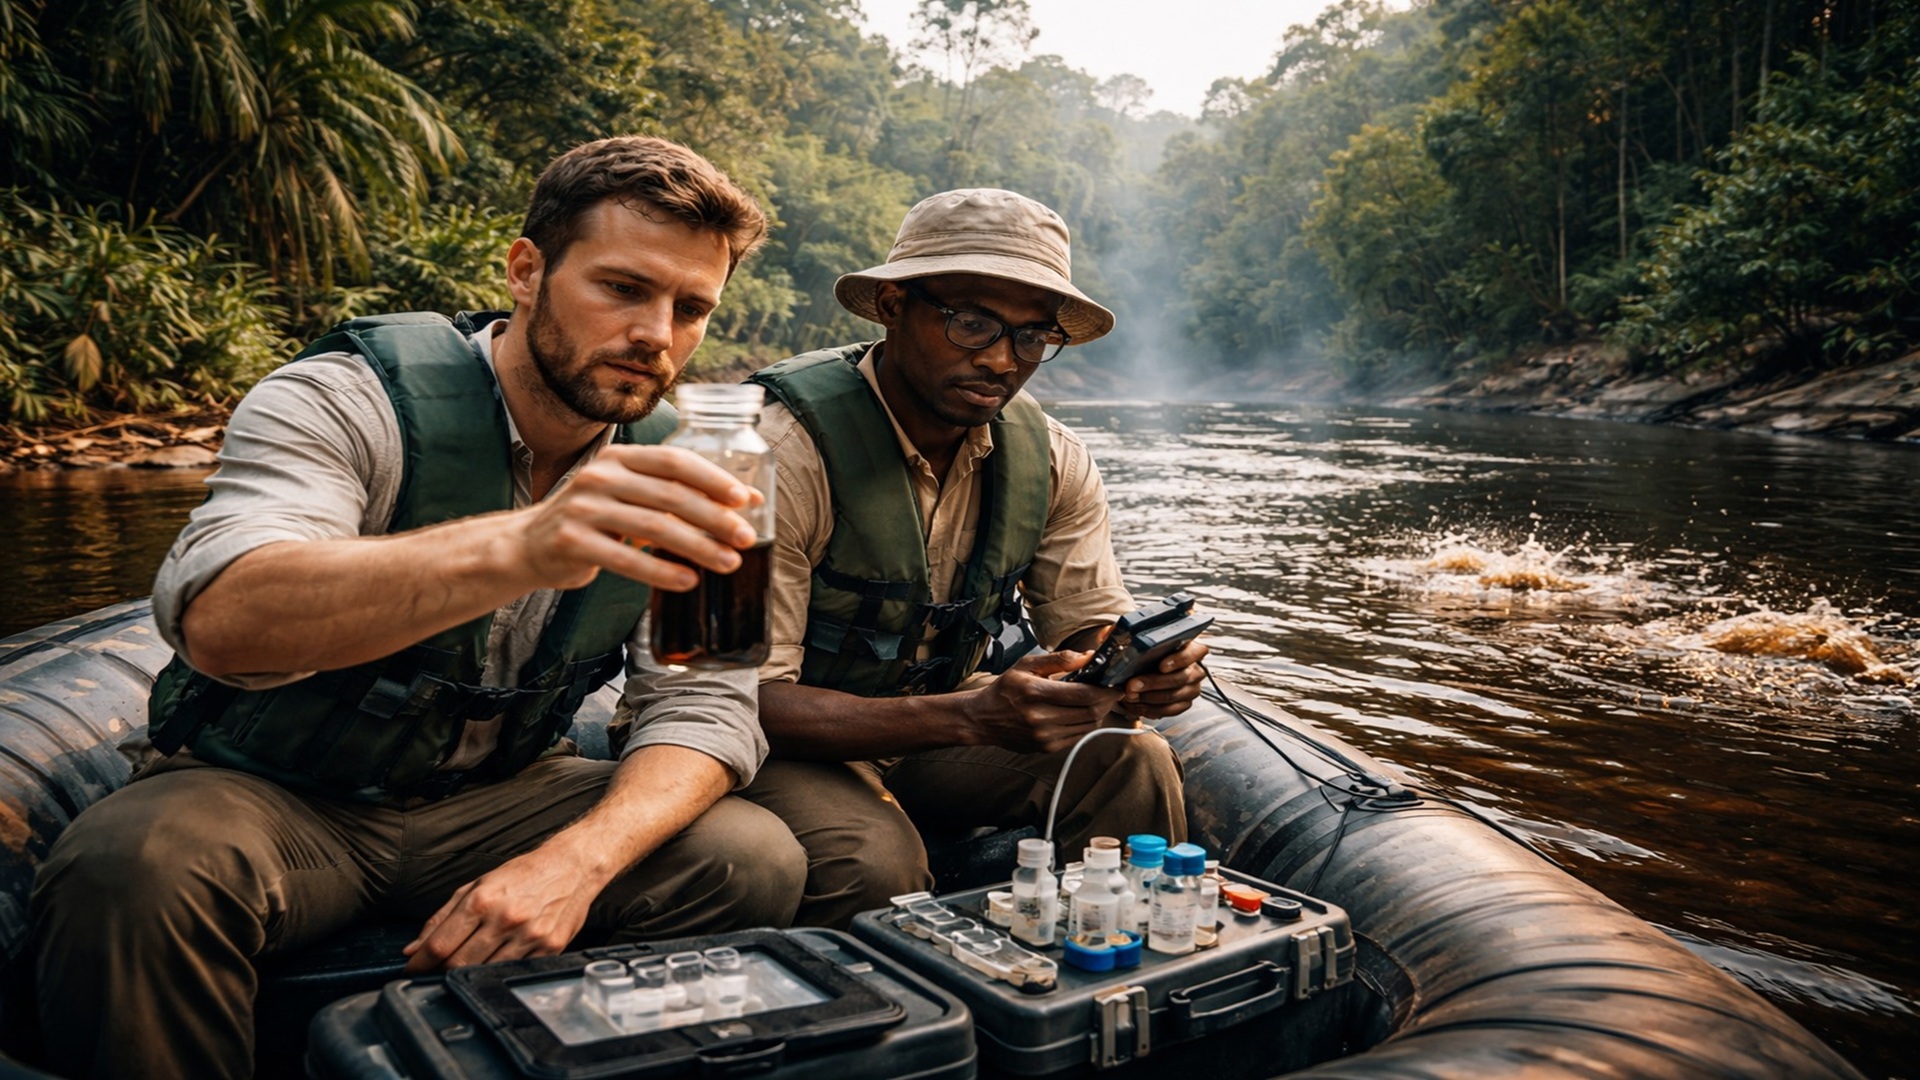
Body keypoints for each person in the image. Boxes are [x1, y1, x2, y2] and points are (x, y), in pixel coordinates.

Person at [28, 136, 807, 1080]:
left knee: (751, 857)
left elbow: (705, 700)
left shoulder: (707, 463)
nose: (659, 334)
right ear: (527, 271)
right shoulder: (339, 399)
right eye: (622, 288)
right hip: (281, 796)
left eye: (691, 308)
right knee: (132, 867)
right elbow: (222, 616)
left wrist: (577, 862)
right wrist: (524, 546)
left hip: (502, 797)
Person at [740, 188, 1206, 929]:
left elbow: (1087, 628)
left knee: (1131, 756)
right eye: (971, 322)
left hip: (938, 730)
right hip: (776, 745)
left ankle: (1112, 969)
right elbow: (737, 701)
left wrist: (1135, 675)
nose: (999, 359)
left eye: (1030, 337)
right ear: (893, 305)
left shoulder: (1051, 460)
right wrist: (968, 716)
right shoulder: (772, 454)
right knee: (875, 861)